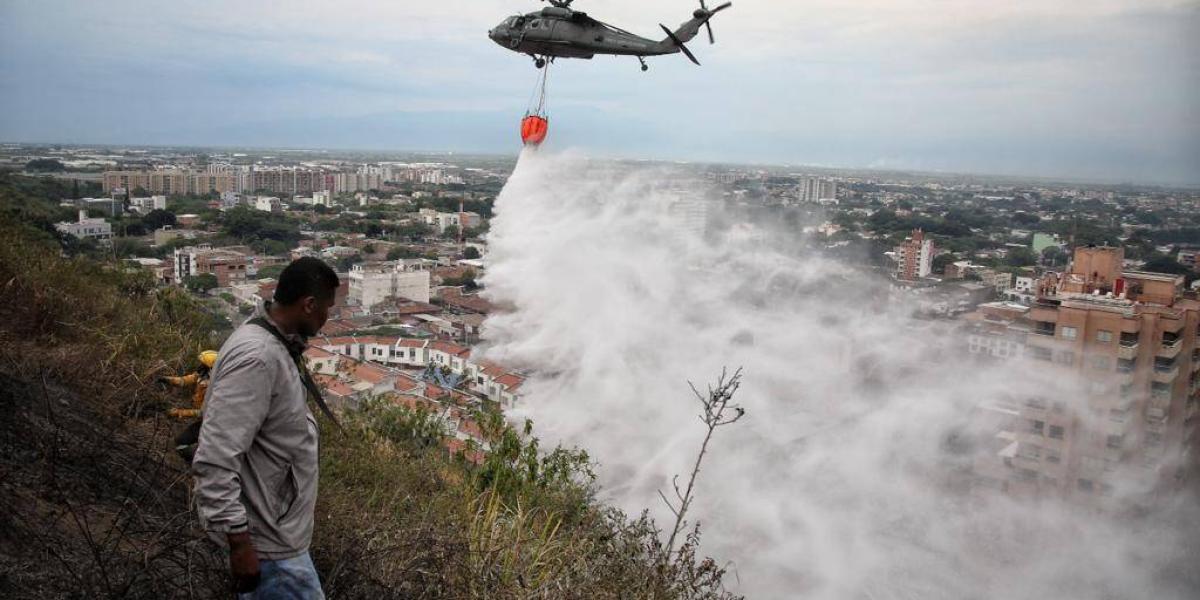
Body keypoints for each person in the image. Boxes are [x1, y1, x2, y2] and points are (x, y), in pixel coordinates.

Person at [193, 257, 340, 598]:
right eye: (327, 309)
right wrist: (239, 542)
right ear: (308, 305)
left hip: (277, 536)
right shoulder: (258, 357)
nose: (327, 318)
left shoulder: (275, 342)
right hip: (268, 547)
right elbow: (215, 456)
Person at [159, 350, 218, 462]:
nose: (200, 366)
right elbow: (184, 381)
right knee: (182, 443)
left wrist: (178, 412)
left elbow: (202, 412)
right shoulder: (201, 376)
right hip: (205, 422)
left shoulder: (213, 387)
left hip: (211, 424)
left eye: (203, 364)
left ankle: (201, 465)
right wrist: (167, 379)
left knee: (182, 443)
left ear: (210, 368)